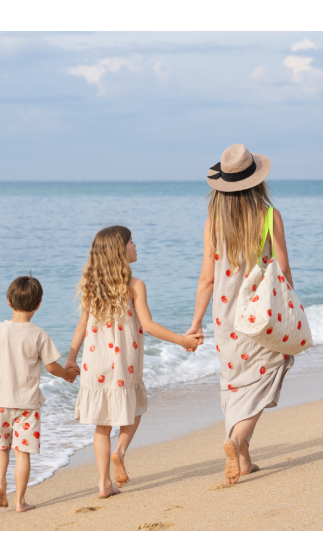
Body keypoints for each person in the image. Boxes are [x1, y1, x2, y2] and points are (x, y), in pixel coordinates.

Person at [184, 144, 295, 485]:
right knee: (273, 368)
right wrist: (291, 311)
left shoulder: (213, 223)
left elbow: (206, 279)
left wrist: (195, 323)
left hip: (224, 315)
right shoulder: (268, 216)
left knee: (234, 382)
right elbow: (284, 271)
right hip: (258, 314)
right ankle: (235, 441)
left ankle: (243, 459)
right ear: (256, 182)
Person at [66, 226, 202, 498]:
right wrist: (182, 341)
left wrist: (71, 359)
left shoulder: (92, 286)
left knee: (101, 426)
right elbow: (149, 326)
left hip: (95, 364)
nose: (135, 246)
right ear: (120, 250)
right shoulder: (135, 285)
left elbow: (81, 326)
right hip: (123, 363)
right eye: (131, 242)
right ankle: (121, 451)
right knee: (136, 409)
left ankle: (104, 484)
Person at [0, 275, 79, 512]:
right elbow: (52, 367)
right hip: (27, 405)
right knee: (23, 453)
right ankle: (20, 502)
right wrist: (68, 374)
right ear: (38, 305)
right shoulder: (39, 334)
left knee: (2, 447)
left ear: (8, 302)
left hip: (0, 401)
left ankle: (0, 481)